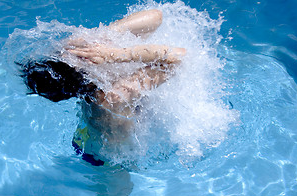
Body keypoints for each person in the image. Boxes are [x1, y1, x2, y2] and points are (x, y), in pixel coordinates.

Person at [19, 9, 186, 166]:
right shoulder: (115, 96)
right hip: (105, 160)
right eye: (74, 57)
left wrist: (104, 34)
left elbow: (155, 17)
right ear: (83, 73)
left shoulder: (88, 79)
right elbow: (179, 57)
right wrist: (118, 55)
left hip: (86, 137)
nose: (77, 52)